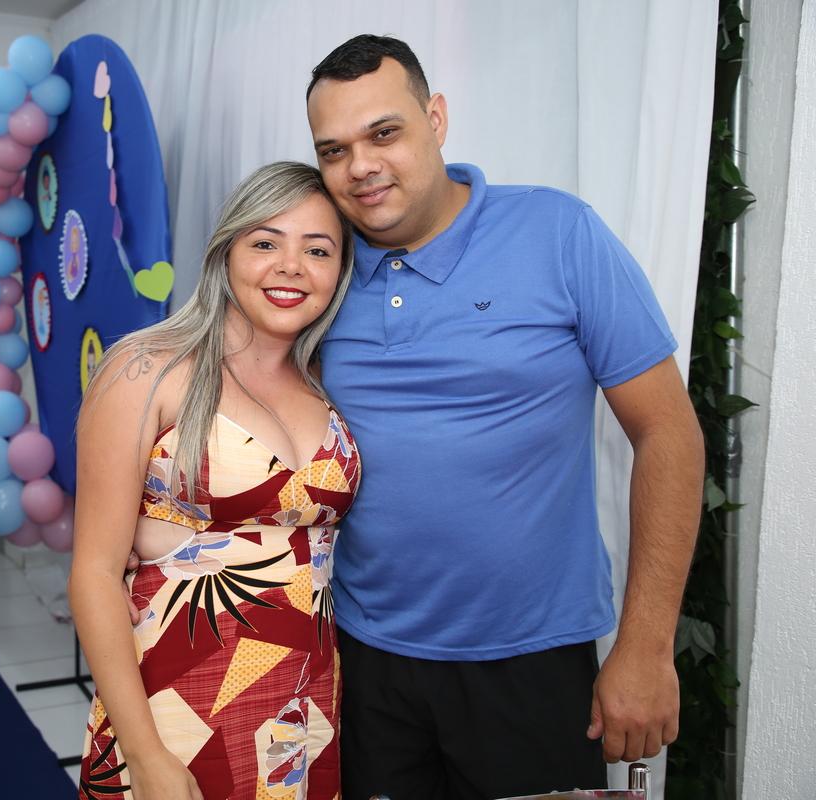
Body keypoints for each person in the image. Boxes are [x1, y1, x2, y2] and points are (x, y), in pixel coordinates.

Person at [305, 35, 705, 800]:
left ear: (436, 118)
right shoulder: (320, 265)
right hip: (364, 658)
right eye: (335, 150)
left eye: (384, 133)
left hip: (531, 660)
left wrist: (648, 647)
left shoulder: (559, 234)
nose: (361, 166)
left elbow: (668, 434)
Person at [69, 161, 360, 800]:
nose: (291, 267)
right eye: (265, 243)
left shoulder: (327, 382)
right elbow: (93, 573)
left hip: (305, 705)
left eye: (318, 250)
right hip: (175, 706)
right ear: (226, 252)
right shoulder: (146, 368)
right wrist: (143, 753)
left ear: (340, 269)